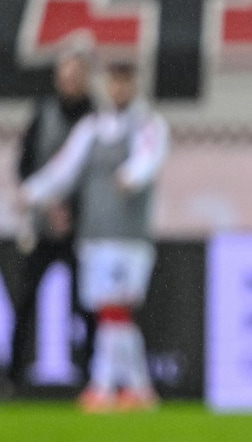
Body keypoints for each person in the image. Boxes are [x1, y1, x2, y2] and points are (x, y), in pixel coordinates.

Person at [18, 61, 170, 412]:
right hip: (95, 233)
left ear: (133, 85)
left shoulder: (147, 124)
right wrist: (35, 191)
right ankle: (137, 388)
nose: (118, 89)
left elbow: (149, 159)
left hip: (130, 235)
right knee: (110, 313)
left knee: (115, 309)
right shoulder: (92, 128)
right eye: (113, 82)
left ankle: (103, 385)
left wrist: (132, 175)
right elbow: (64, 169)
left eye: (124, 82)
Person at [6, 49, 95, 393]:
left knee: (86, 307)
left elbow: (95, 177)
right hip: (43, 227)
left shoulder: (95, 118)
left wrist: (72, 210)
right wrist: (47, 206)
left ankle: (90, 378)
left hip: (80, 230)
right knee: (25, 301)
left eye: (76, 75)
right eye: (65, 75)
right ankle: (12, 376)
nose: (69, 82)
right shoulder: (43, 113)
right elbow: (26, 166)